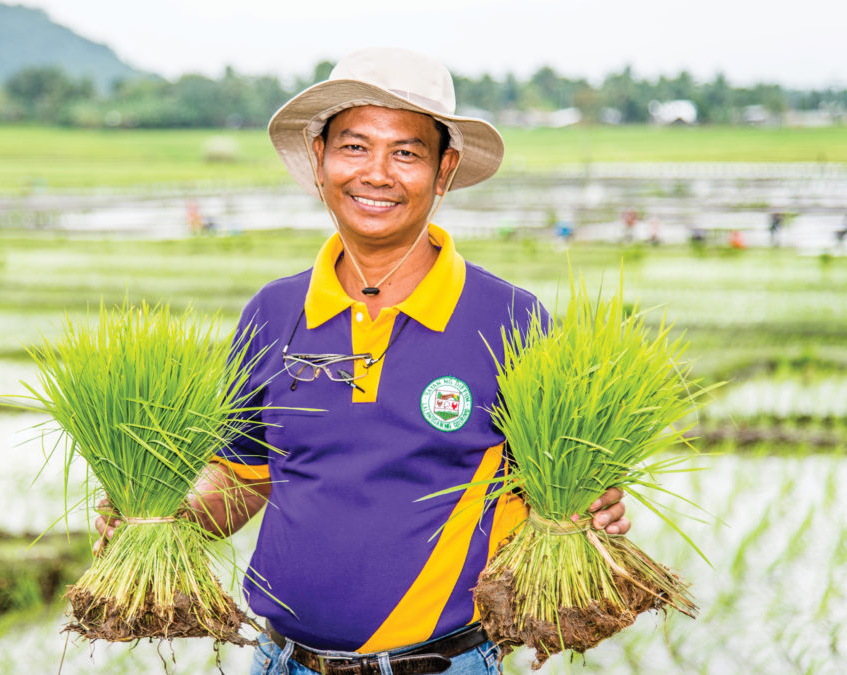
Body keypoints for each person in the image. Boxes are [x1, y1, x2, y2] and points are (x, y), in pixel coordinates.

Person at [97, 47, 629, 675]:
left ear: (444, 169)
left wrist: (591, 507)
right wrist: (161, 513)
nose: (377, 173)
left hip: (443, 663)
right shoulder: (274, 312)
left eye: (406, 152)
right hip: (283, 661)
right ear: (319, 160)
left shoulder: (511, 320)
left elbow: (556, 487)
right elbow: (244, 478)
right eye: (354, 147)